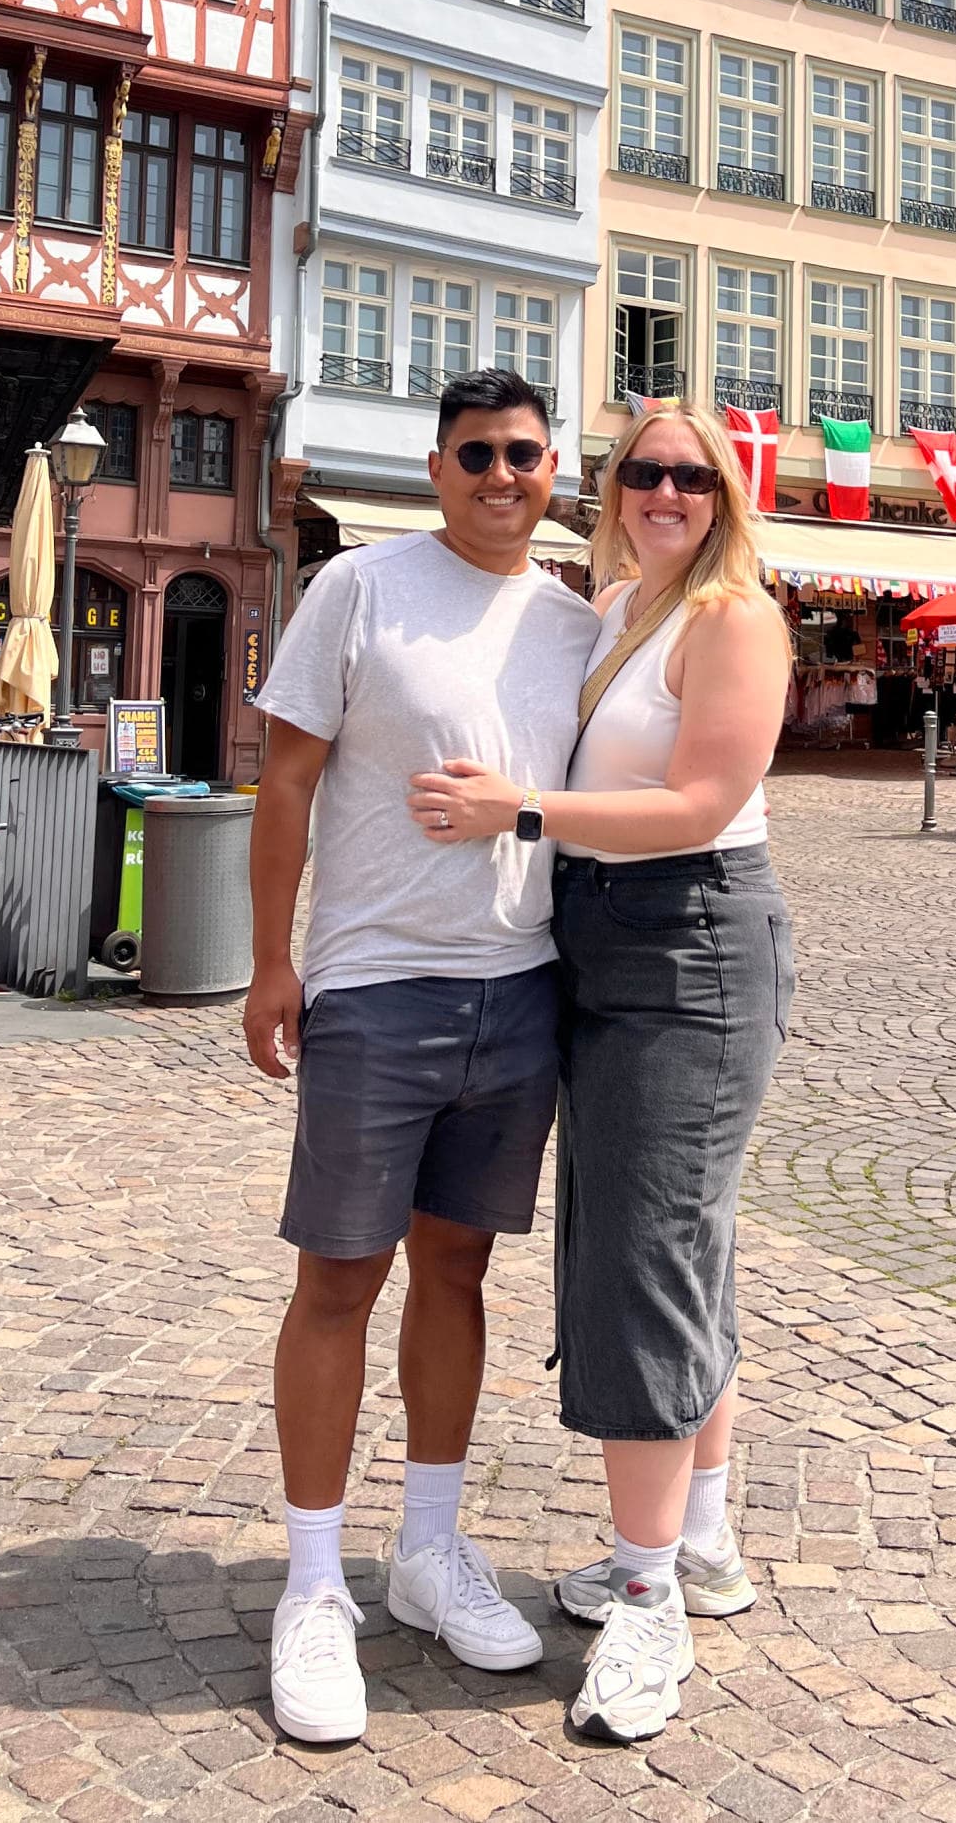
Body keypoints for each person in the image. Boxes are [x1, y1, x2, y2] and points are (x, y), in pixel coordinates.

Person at [410, 403, 792, 1745]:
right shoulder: (623, 604)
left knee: (640, 1259)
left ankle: (645, 1599)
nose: (666, 490)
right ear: (615, 487)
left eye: (692, 474)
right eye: (645, 470)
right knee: (681, 1247)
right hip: (606, 938)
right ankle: (700, 1539)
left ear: (724, 494)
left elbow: (698, 803)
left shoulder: (733, 619)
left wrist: (516, 810)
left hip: (689, 942)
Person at [241, 370, 600, 1745]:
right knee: (338, 1277)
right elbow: (284, 779)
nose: (503, 474)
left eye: (524, 453)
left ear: (553, 467)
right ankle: (314, 1583)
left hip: (519, 989)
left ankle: (429, 1550)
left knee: (458, 1270)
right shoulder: (361, 588)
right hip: (377, 983)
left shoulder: (575, 622)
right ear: (436, 467)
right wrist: (273, 961)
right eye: (477, 453)